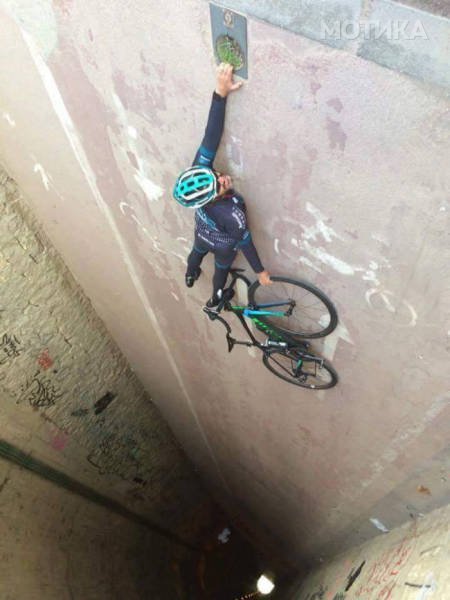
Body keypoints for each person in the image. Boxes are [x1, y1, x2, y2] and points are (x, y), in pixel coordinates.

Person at [173, 63, 271, 307]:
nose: (222, 178)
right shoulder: (232, 213)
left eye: (215, 175)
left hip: (201, 233)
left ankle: (191, 273)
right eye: (219, 186)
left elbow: (211, 135)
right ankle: (216, 296)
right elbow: (245, 243)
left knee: (196, 253)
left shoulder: (200, 175)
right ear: (210, 198)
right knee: (221, 271)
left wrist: (220, 93)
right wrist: (260, 271)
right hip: (223, 245)